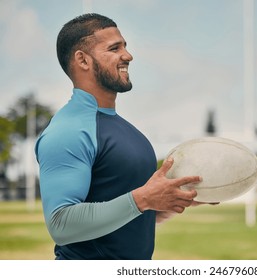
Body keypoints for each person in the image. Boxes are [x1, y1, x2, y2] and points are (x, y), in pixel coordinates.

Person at [35, 13, 204, 260]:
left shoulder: (126, 131)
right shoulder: (68, 131)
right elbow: (61, 224)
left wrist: (165, 203)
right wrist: (143, 199)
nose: (128, 55)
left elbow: (121, 212)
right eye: (114, 48)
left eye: (125, 46)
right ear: (83, 60)